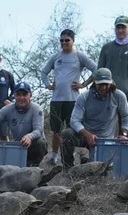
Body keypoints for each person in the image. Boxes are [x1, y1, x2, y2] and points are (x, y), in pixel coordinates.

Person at [40, 30, 97, 163]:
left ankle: (77, 155)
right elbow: (44, 72)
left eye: (67, 40)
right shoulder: (55, 57)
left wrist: (84, 84)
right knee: (56, 130)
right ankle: (54, 156)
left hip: (73, 100)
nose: (64, 43)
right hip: (56, 100)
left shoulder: (78, 55)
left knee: (73, 130)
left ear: (73, 40)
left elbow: (96, 69)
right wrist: (48, 85)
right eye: (61, 40)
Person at [60, 68, 128, 169]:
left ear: (111, 83)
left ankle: (86, 159)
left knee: (101, 170)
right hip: (86, 135)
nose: (103, 87)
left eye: (106, 84)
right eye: (100, 84)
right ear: (95, 83)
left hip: (106, 139)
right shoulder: (84, 97)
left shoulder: (119, 96)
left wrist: (124, 134)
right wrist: (87, 134)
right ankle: (67, 169)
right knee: (66, 134)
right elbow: (74, 120)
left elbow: (126, 115)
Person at [98, 16, 128, 109]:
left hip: (127, 94)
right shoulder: (106, 48)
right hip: (107, 93)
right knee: (105, 123)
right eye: (118, 27)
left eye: (123, 27)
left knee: (125, 122)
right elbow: (99, 71)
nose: (120, 30)